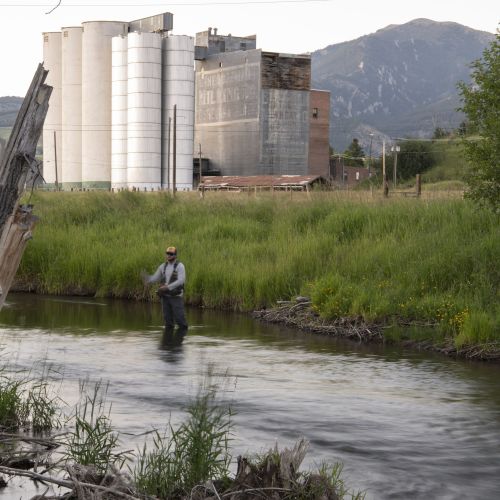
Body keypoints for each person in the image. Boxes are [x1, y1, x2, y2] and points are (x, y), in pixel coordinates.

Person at [141, 246, 188, 332]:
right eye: (167, 253)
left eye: (171, 254)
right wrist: (147, 279)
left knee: (181, 323)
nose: (169, 255)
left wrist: (167, 287)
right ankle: (167, 344)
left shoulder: (180, 266)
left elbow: (181, 280)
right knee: (168, 324)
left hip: (176, 297)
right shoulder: (162, 266)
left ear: (175, 255)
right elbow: (155, 278)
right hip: (165, 298)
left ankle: (179, 343)